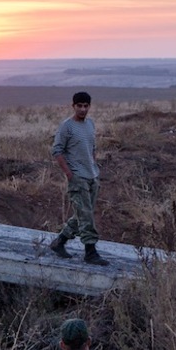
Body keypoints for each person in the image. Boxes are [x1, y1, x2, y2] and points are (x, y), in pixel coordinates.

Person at [49, 91, 109, 266]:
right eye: (79, 106)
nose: (83, 109)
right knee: (86, 215)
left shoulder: (90, 124)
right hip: (78, 178)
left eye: (86, 106)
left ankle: (59, 242)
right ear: (73, 106)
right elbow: (57, 151)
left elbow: (92, 147)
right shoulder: (66, 126)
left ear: (89, 106)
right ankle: (90, 252)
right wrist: (69, 174)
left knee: (82, 213)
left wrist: (94, 167)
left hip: (92, 176)